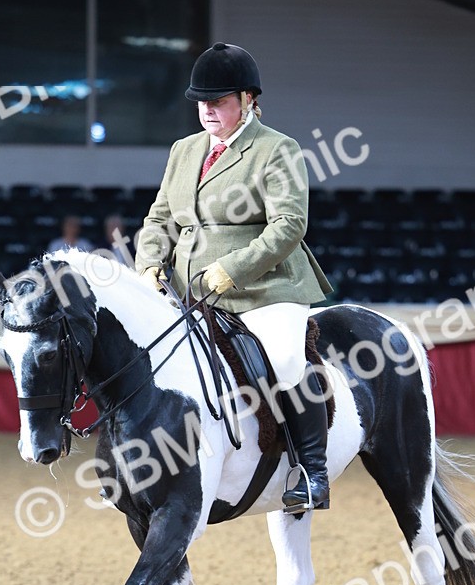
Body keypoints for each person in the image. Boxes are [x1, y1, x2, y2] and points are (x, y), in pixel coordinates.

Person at [134, 42, 333, 512]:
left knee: (285, 359)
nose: (207, 110)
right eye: (202, 101)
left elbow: (289, 226)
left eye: (218, 101)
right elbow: (159, 218)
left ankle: (311, 471)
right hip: (186, 289)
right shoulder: (184, 151)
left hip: (264, 287)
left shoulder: (277, 149)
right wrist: (147, 264)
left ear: (247, 100)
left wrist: (231, 269)